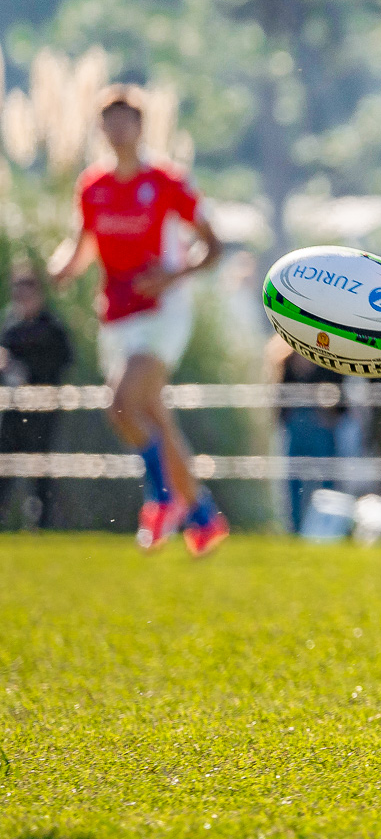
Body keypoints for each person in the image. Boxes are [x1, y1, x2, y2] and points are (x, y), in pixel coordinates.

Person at [48, 85, 228, 556]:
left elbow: (214, 246)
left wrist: (172, 276)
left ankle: (162, 497)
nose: (117, 129)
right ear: (100, 128)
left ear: (141, 126)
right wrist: (63, 267)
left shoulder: (167, 180)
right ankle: (203, 514)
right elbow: (83, 243)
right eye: (109, 121)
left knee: (122, 405)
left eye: (125, 120)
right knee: (152, 416)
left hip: (162, 312)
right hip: (116, 315)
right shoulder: (92, 185)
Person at [0, 261, 74, 528]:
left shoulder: (52, 327)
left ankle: (42, 525)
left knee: (40, 468)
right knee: (5, 465)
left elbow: (65, 360)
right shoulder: (10, 325)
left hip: (43, 411)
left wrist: (30, 372)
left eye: (27, 288)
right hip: (13, 409)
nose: (21, 294)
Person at [266, 334, 345, 534]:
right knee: (293, 483)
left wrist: (331, 412)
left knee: (327, 481)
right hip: (296, 428)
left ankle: (328, 529)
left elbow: (340, 396)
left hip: (322, 427)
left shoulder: (331, 358)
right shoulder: (285, 359)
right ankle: (294, 529)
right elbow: (279, 399)